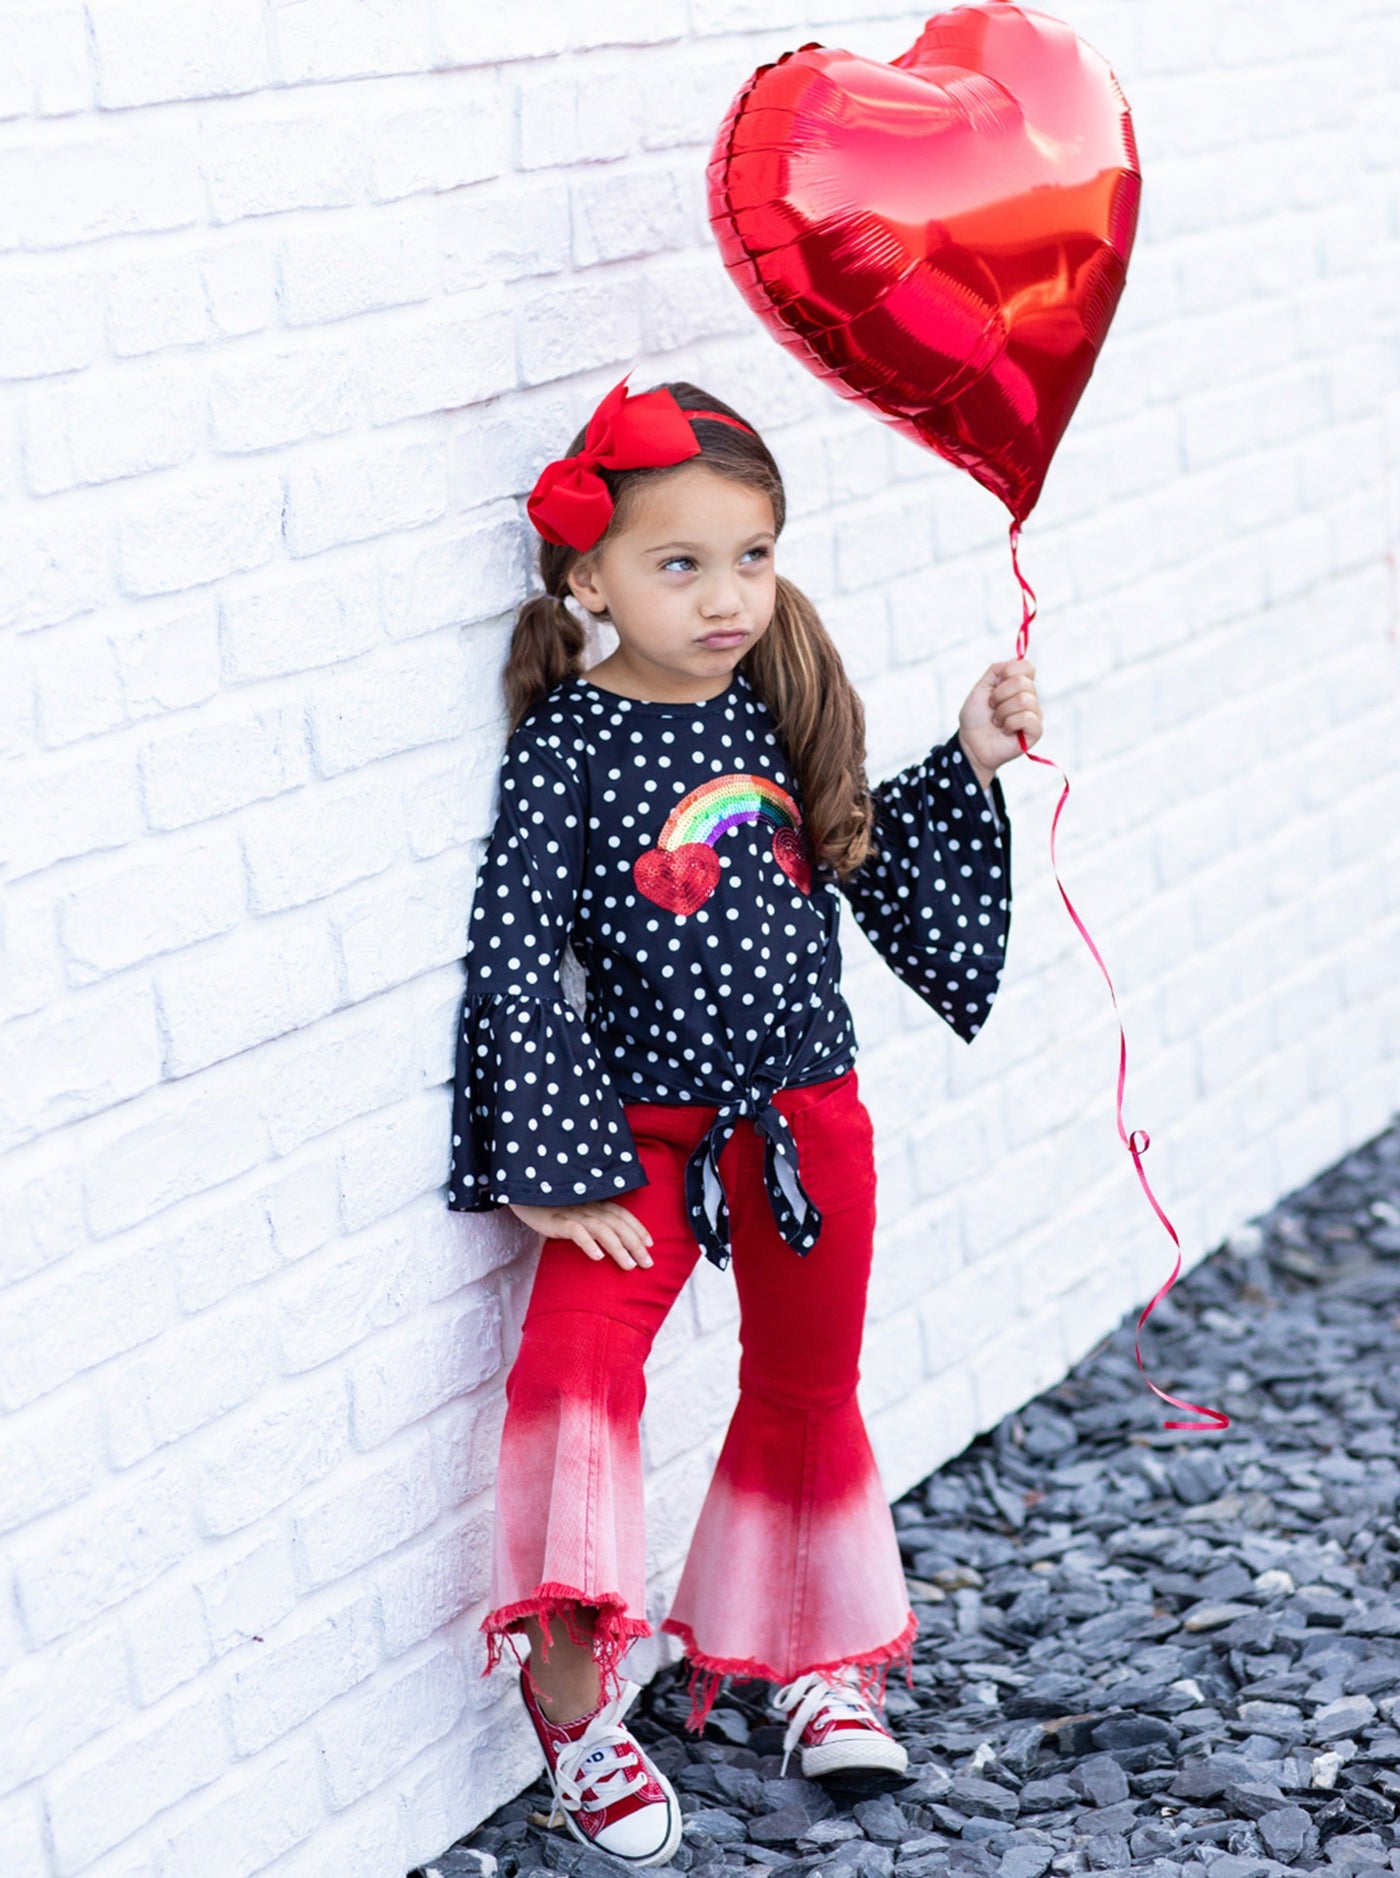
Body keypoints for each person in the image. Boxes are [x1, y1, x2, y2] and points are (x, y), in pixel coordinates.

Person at [447, 373, 1043, 1865]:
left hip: (804, 1119)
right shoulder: (570, 743)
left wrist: (967, 753)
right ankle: (577, 1711)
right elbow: (514, 947)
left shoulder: (780, 706)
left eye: (754, 555)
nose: (728, 595)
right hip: (637, 1135)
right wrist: (551, 1159)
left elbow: (857, 848)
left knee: (805, 1382)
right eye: (682, 562)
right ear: (592, 575)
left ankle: (803, 1656)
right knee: (575, 1382)